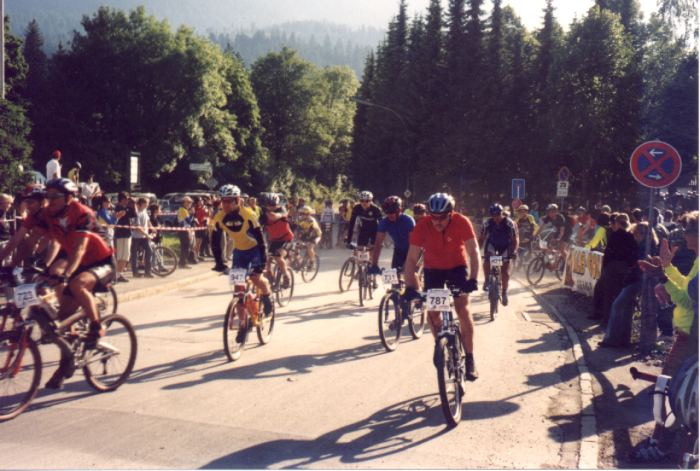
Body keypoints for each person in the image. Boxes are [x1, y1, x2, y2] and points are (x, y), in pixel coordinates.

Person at [630, 212, 698, 463]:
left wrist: (662, 276)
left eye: (688, 230)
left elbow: (687, 300)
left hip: (691, 337)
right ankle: (665, 441)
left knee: (669, 390)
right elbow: (687, 290)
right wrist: (667, 269)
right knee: (677, 390)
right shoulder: (697, 260)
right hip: (688, 334)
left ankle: (662, 446)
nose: (684, 235)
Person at [33, 178, 114, 389]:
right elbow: (35, 241)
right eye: (48, 196)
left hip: (101, 261)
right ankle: (66, 364)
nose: (50, 200)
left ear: (69, 198)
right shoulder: (49, 214)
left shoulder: (82, 213)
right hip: (79, 263)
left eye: (55, 197)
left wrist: (66, 274)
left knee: (77, 284)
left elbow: (79, 249)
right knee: (63, 321)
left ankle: (96, 326)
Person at [402, 193, 480, 380]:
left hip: (457, 268)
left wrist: (473, 279)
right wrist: (410, 286)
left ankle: (470, 358)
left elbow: (474, 251)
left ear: (451, 214)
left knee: (462, 309)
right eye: (433, 217)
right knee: (433, 313)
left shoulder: (462, 222)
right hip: (433, 270)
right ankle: (440, 344)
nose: (437, 222)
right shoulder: (423, 225)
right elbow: (411, 258)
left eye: (442, 218)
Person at [210, 184, 272, 343]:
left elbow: (261, 241)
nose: (225, 204)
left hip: (255, 249)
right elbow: (215, 242)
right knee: (238, 290)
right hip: (239, 252)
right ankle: (243, 326)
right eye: (223, 201)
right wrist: (219, 263)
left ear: (237, 201)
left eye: (229, 201)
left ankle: (267, 296)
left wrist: (262, 263)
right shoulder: (219, 217)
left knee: (256, 278)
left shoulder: (249, 215)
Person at [599, 221, 659, 347]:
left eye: (638, 233)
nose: (636, 235)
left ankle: (612, 339)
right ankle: (623, 339)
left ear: (645, 234)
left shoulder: (646, 247)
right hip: (636, 279)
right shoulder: (642, 245)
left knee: (618, 305)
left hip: (637, 280)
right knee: (626, 309)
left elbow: (638, 263)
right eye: (635, 232)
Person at [591, 214, 635, 326]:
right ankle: (611, 319)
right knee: (616, 294)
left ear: (618, 223)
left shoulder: (615, 235)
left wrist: (604, 267)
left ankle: (604, 318)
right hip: (624, 268)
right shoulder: (631, 236)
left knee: (607, 294)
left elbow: (608, 253)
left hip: (612, 267)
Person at [479, 203, 518, 306]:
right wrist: (477, 250)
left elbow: (515, 239)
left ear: (502, 213)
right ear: (491, 215)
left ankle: (504, 292)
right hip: (492, 245)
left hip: (505, 246)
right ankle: (487, 280)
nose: (496, 217)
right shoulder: (487, 223)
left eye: (498, 215)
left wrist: (514, 251)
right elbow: (482, 238)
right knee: (487, 259)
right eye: (494, 215)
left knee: (505, 272)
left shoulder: (509, 223)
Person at [369, 196, 416, 274]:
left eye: (393, 212)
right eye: (387, 212)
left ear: (399, 210)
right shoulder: (384, 222)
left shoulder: (408, 221)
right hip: (398, 250)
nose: (390, 215)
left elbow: (413, 243)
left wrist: (406, 264)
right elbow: (378, 244)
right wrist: (374, 264)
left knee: (409, 275)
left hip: (413, 250)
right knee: (394, 276)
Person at [259, 193, 294, 286]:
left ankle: (286, 276)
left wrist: (266, 211)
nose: (272, 207)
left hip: (286, 239)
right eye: (269, 205)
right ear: (266, 204)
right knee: (267, 257)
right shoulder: (264, 214)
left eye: (274, 204)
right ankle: (269, 274)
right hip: (274, 241)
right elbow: (257, 225)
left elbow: (274, 217)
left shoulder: (282, 210)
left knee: (278, 256)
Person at [130, 197, 154, 278]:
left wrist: (152, 228)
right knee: (134, 254)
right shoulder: (136, 213)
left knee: (149, 251)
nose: (148, 204)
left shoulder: (145, 211)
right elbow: (137, 227)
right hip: (136, 237)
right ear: (142, 203)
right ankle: (135, 272)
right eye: (146, 203)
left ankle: (148, 272)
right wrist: (147, 235)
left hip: (144, 236)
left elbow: (148, 221)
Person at [113, 192, 134, 282]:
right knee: (121, 255)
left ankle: (119, 274)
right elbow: (120, 215)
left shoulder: (128, 208)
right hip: (120, 234)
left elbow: (134, 214)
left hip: (127, 233)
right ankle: (117, 274)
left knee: (126, 255)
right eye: (126, 199)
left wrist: (133, 204)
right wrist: (127, 209)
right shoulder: (118, 207)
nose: (127, 201)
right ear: (121, 199)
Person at [177, 196, 196, 268]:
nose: (190, 204)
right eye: (189, 202)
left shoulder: (184, 210)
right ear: (184, 202)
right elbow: (189, 221)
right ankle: (183, 263)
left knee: (185, 247)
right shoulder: (183, 210)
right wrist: (192, 214)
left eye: (191, 202)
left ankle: (182, 262)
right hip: (184, 231)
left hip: (185, 230)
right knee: (185, 247)